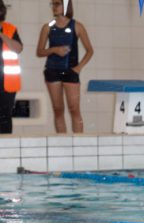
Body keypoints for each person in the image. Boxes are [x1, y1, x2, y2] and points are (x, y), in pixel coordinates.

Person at [36, 0, 94, 133]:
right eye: (53, 4)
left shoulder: (77, 26)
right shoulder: (48, 27)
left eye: (57, 4)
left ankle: (79, 144)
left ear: (66, 6)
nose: (54, 7)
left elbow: (90, 50)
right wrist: (54, 49)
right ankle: (62, 143)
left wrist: (79, 68)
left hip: (71, 71)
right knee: (58, 110)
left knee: (74, 109)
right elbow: (39, 52)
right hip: (52, 71)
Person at [0, 0, 22, 134]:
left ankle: (6, 149)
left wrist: (2, 35)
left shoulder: (10, 28)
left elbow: (18, 48)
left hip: (7, 82)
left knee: (5, 117)